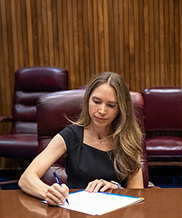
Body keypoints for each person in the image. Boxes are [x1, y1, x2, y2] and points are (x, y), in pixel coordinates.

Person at [19, 72, 143, 205]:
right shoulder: (70, 135)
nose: (102, 110)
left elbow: (138, 193)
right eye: (96, 102)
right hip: (76, 215)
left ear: (120, 108)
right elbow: (26, 178)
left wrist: (118, 189)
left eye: (111, 105)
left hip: (115, 217)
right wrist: (48, 193)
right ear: (87, 100)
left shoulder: (127, 139)